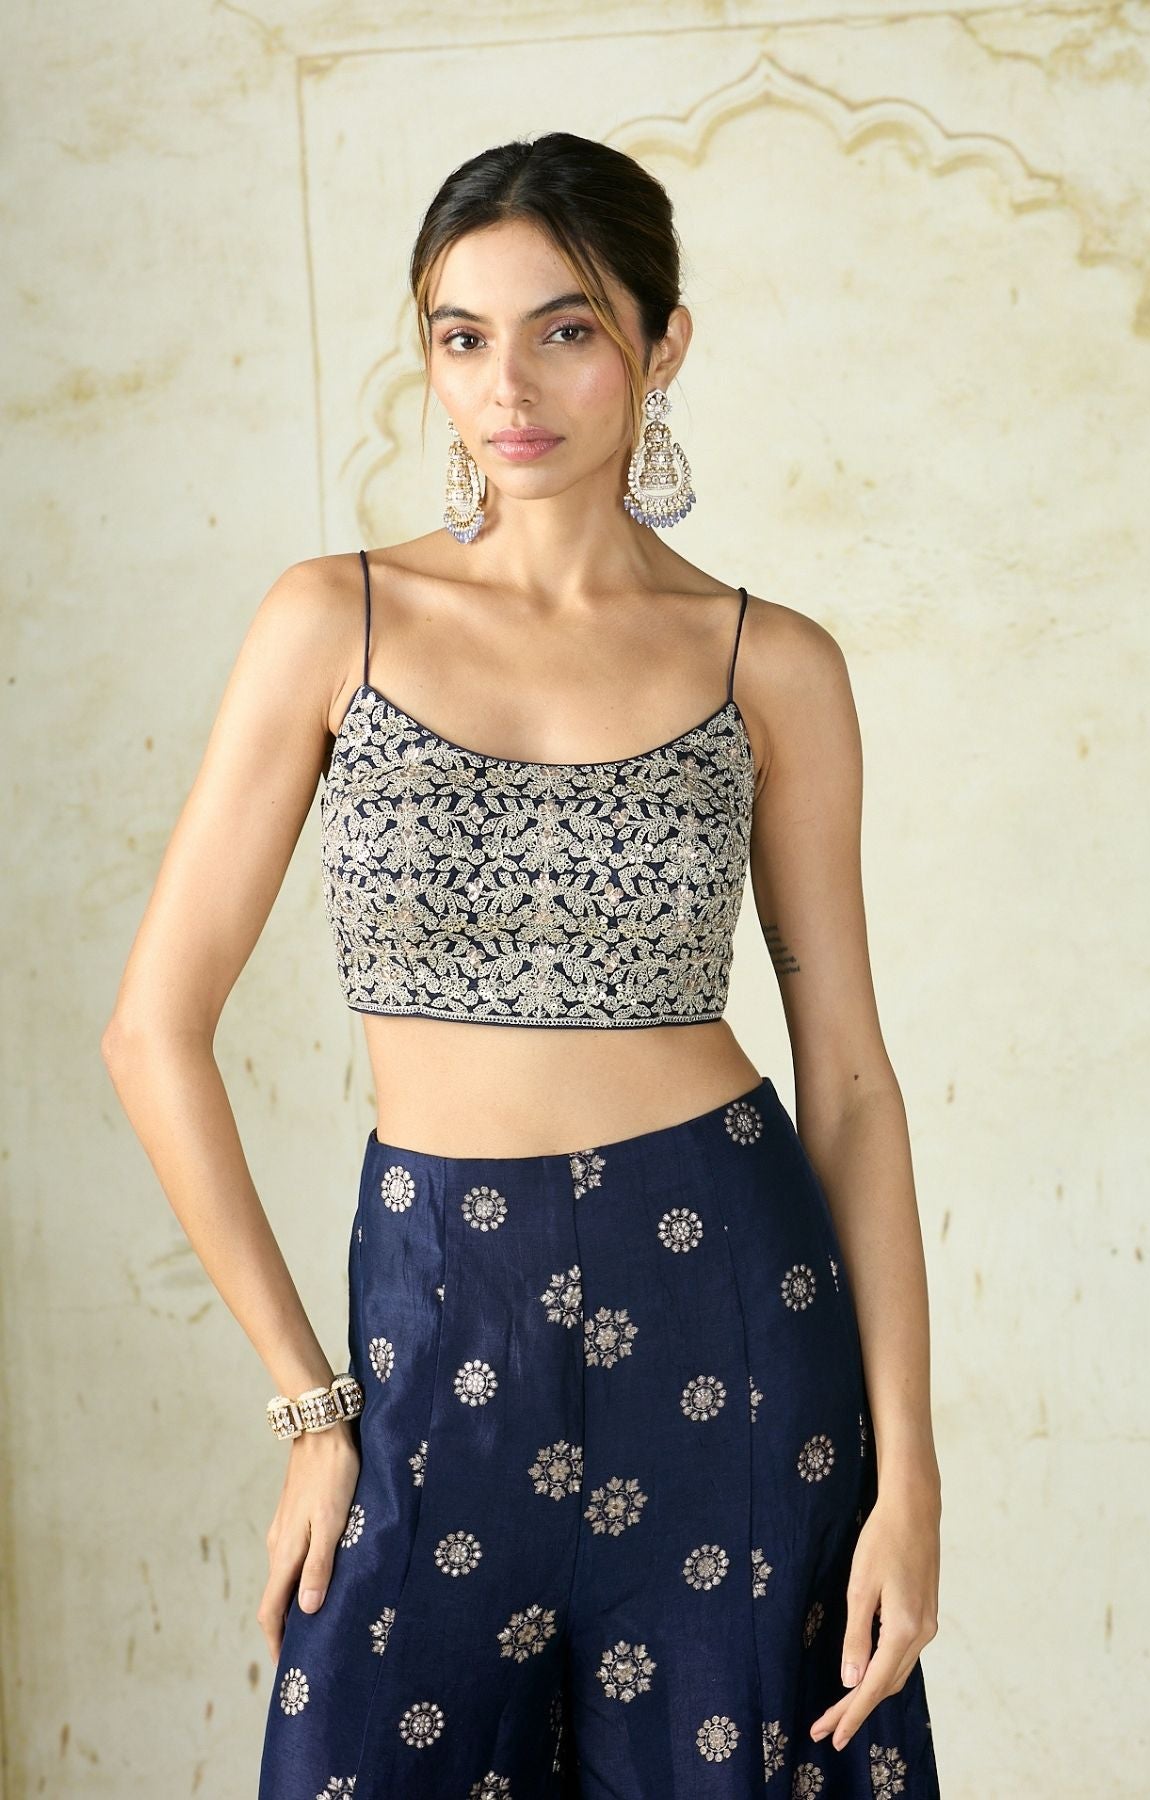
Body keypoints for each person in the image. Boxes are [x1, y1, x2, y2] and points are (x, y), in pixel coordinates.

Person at [102, 130, 942, 1799]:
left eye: (566, 330)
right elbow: (152, 1032)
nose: (508, 387)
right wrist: (309, 1408)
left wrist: (909, 1478)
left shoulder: (770, 664)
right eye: (462, 336)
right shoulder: (332, 623)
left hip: (726, 1306)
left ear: (662, 344)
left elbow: (848, 1080)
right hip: (441, 1313)